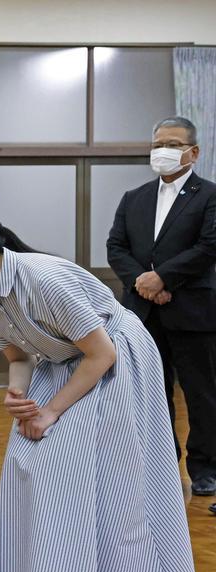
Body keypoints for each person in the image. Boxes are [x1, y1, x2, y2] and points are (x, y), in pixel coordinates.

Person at [0, 195, 196, 572]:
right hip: (64, 363)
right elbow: (18, 359)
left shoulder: (43, 278)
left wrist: (50, 411)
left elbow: (101, 353)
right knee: (24, 460)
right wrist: (17, 397)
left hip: (116, 355)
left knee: (90, 469)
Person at [106, 116, 216, 499]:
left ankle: (206, 468)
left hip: (194, 312)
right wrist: (143, 281)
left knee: (202, 394)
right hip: (143, 314)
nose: (162, 151)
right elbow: (115, 247)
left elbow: (208, 246)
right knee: (153, 392)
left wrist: (164, 278)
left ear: (193, 152)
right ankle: (163, 465)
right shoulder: (133, 198)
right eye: (157, 145)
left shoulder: (209, 195)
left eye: (172, 144)